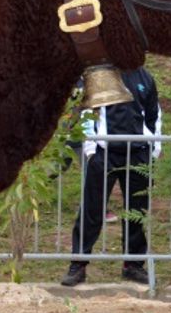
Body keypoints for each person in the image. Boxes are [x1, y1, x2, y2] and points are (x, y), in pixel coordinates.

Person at [60, 66, 160, 287]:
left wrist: (153, 149)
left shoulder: (145, 77)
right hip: (104, 153)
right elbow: (87, 112)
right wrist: (91, 149)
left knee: (136, 212)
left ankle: (133, 265)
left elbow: (154, 114)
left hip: (139, 153)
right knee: (92, 211)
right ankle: (78, 265)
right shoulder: (99, 74)